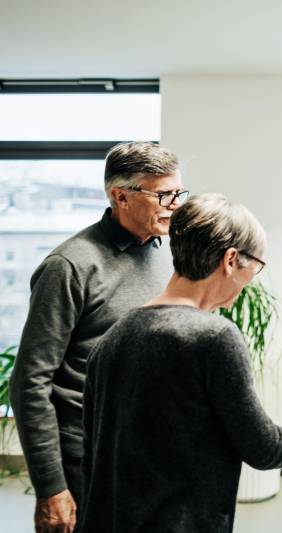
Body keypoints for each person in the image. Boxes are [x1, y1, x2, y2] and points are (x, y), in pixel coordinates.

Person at [77, 193, 282, 533]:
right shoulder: (212, 337)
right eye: (253, 268)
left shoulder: (112, 338)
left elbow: (91, 458)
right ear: (230, 260)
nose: (247, 283)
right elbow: (263, 447)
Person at [10, 141, 184, 533]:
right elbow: (30, 381)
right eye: (163, 195)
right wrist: (51, 487)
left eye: (178, 192)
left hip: (147, 455)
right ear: (120, 196)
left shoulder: (166, 252)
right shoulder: (69, 266)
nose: (174, 204)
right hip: (85, 460)